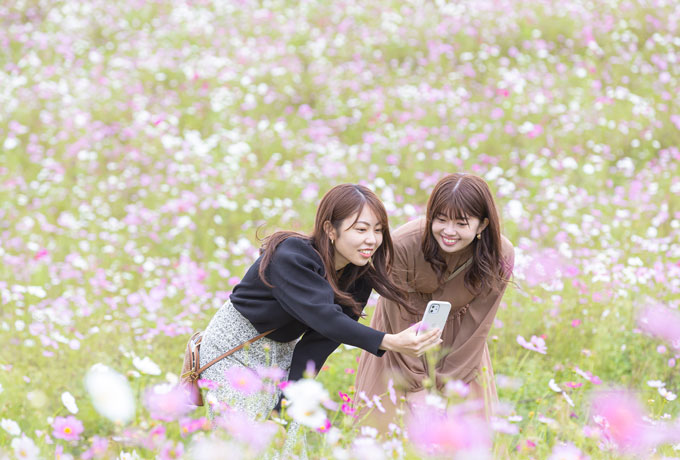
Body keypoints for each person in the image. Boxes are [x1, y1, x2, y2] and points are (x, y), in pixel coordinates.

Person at [198, 184, 442, 423]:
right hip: (234, 350)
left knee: (284, 441)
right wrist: (390, 341)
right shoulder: (291, 256)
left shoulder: (357, 276)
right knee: (243, 441)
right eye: (361, 229)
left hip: (282, 353)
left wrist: (286, 406)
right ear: (330, 229)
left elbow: (319, 343)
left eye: (378, 230)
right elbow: (325, 317)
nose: (372, 240)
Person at [354, 173, 515, 430]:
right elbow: (398, 318)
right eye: (440, 220)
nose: (449, 232)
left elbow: (477, 326)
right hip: (401, 340)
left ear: (482, 225)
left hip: (462, 348)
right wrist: (416, 386)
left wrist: (450, 385)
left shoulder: (500, 255)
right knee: (389, 432)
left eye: (462, 224)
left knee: (461, 434)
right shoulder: (403, 245)